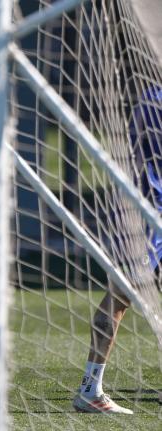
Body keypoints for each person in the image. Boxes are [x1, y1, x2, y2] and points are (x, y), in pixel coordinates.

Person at [72, 86, 162, 414]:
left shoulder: (151, 93)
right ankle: (89, 388)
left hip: (145, 208)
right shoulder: (156, 99)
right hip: (147, 213)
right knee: (120, 296)